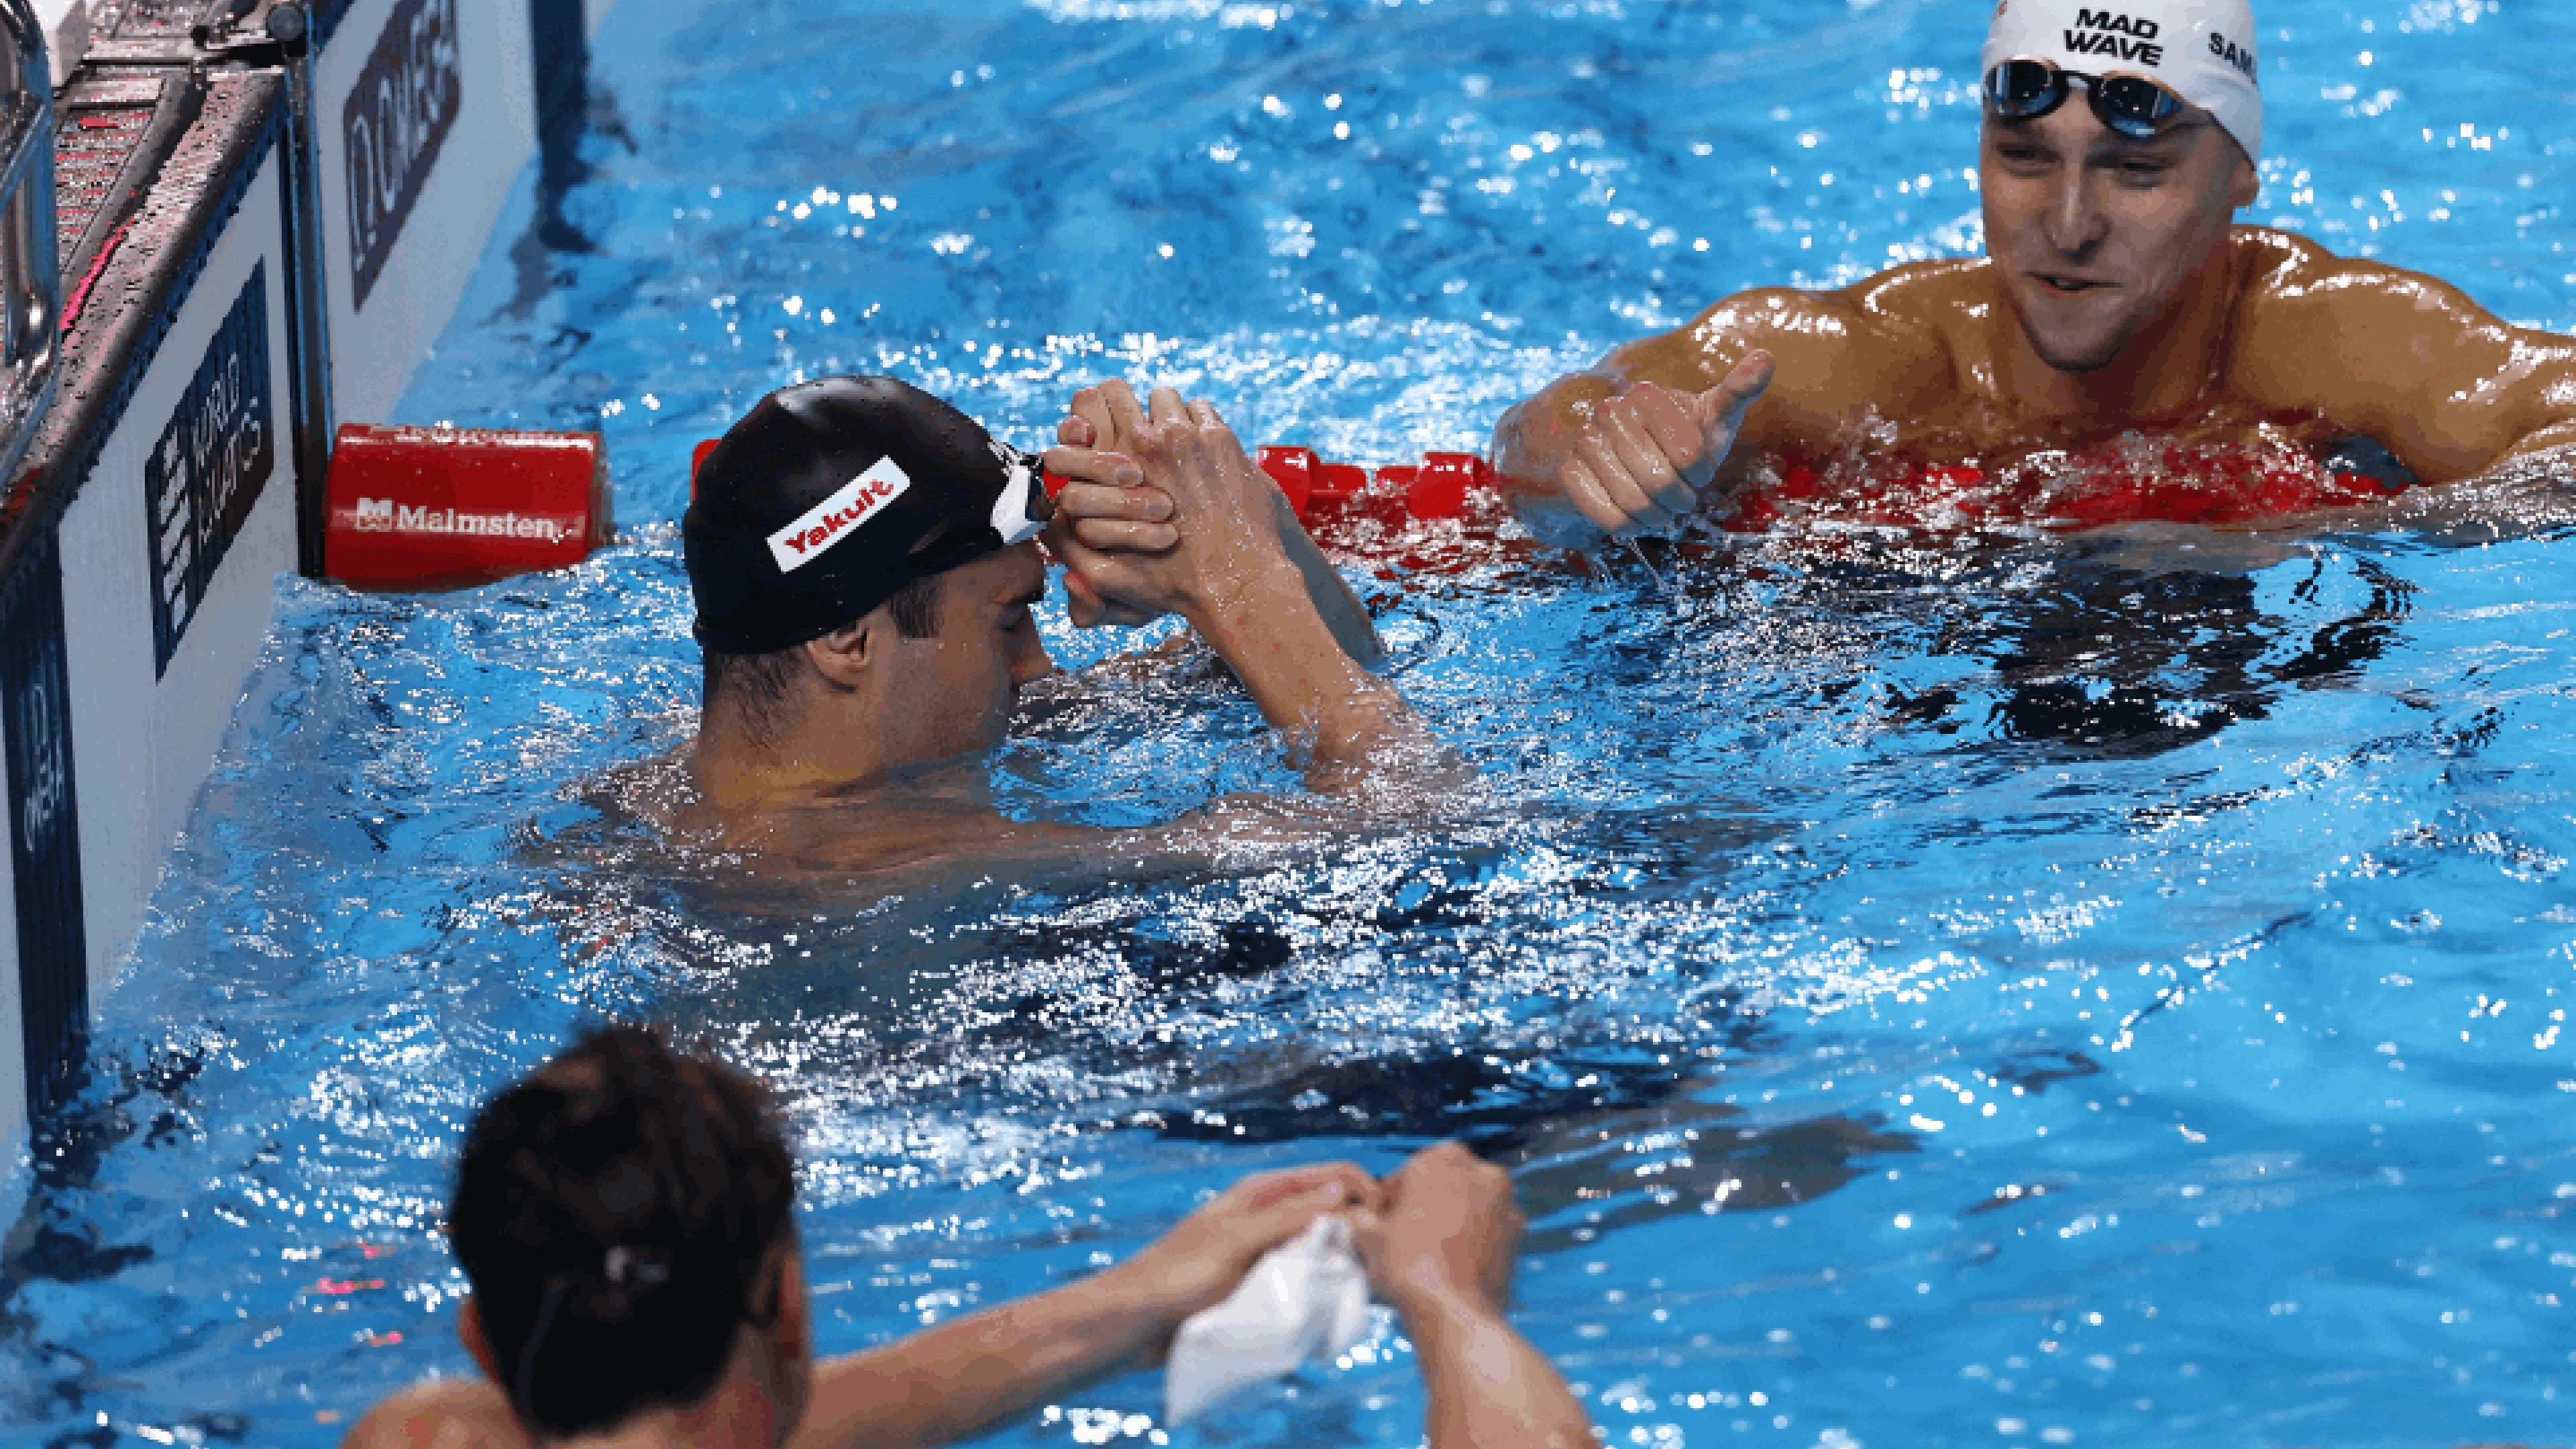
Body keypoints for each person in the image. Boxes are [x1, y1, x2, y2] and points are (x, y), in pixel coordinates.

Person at [1491, 0, 2576, 547]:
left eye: (2134, 170)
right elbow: (1547, 433)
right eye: (2024, 159)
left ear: (2239, 174)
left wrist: (2328, 530)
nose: (2066, 224)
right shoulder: (1881, 355)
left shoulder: (2317, 331)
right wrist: (1602, 447)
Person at [343, 1025, 1593, 1449]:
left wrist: (1133, 1301)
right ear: (788, 1305)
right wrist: (1450, 1303)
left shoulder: (418, 1434)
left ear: (484, 1346)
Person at [655, 374, 1437, 871]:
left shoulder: (680, 786)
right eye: (1006, 623)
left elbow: (1334, 667)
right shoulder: (864, 864)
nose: (1040, 672)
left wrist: (1257, 528)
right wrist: (1240, 581)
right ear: (845, 641)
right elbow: (1416, 824)